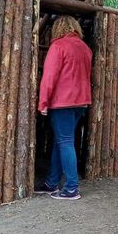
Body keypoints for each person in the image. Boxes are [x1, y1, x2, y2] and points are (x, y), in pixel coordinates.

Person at [35, 15, 92, 200]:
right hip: (81, 102)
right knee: (62, 142)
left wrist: (43, 101)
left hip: (62, 102)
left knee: (65, 143)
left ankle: (71, 188)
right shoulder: (85, 48)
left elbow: (49, 77)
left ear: (58, 28)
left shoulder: (58, 46)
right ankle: (51, 183)